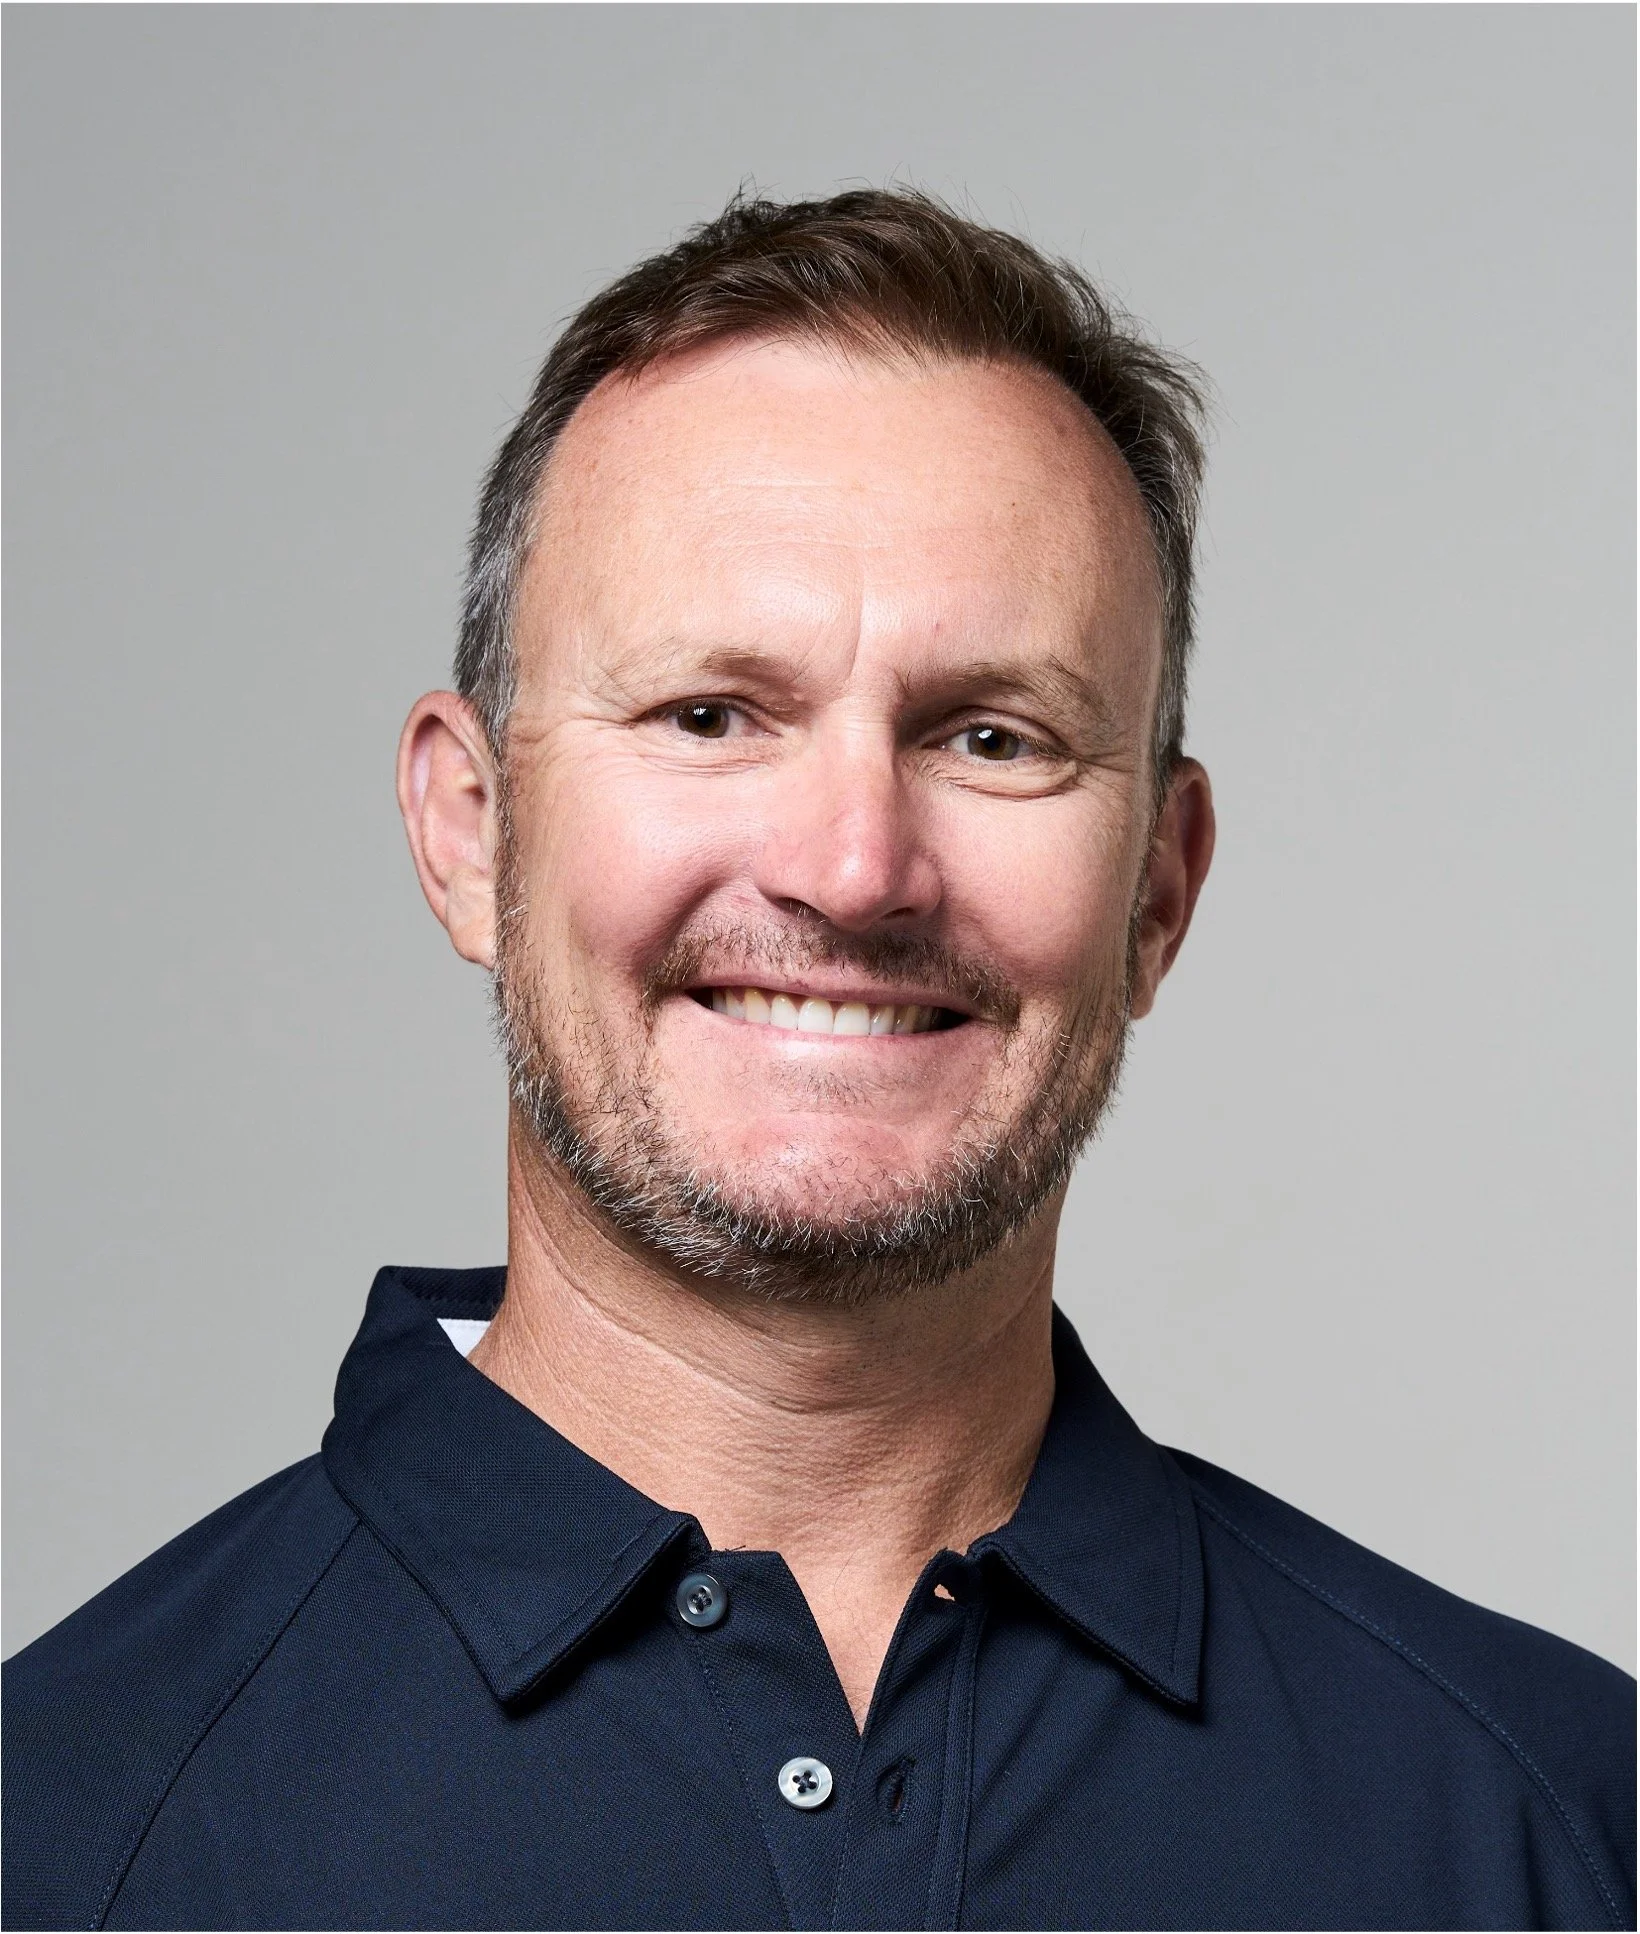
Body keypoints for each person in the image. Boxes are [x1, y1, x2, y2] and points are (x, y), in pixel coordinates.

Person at [4, 188, 1632, 1934]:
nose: (855, 866)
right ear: (472, 831)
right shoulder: (66, 1824)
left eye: (993, 736)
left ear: (1158, 888)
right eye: (711, 714)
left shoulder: (1559, 1819)